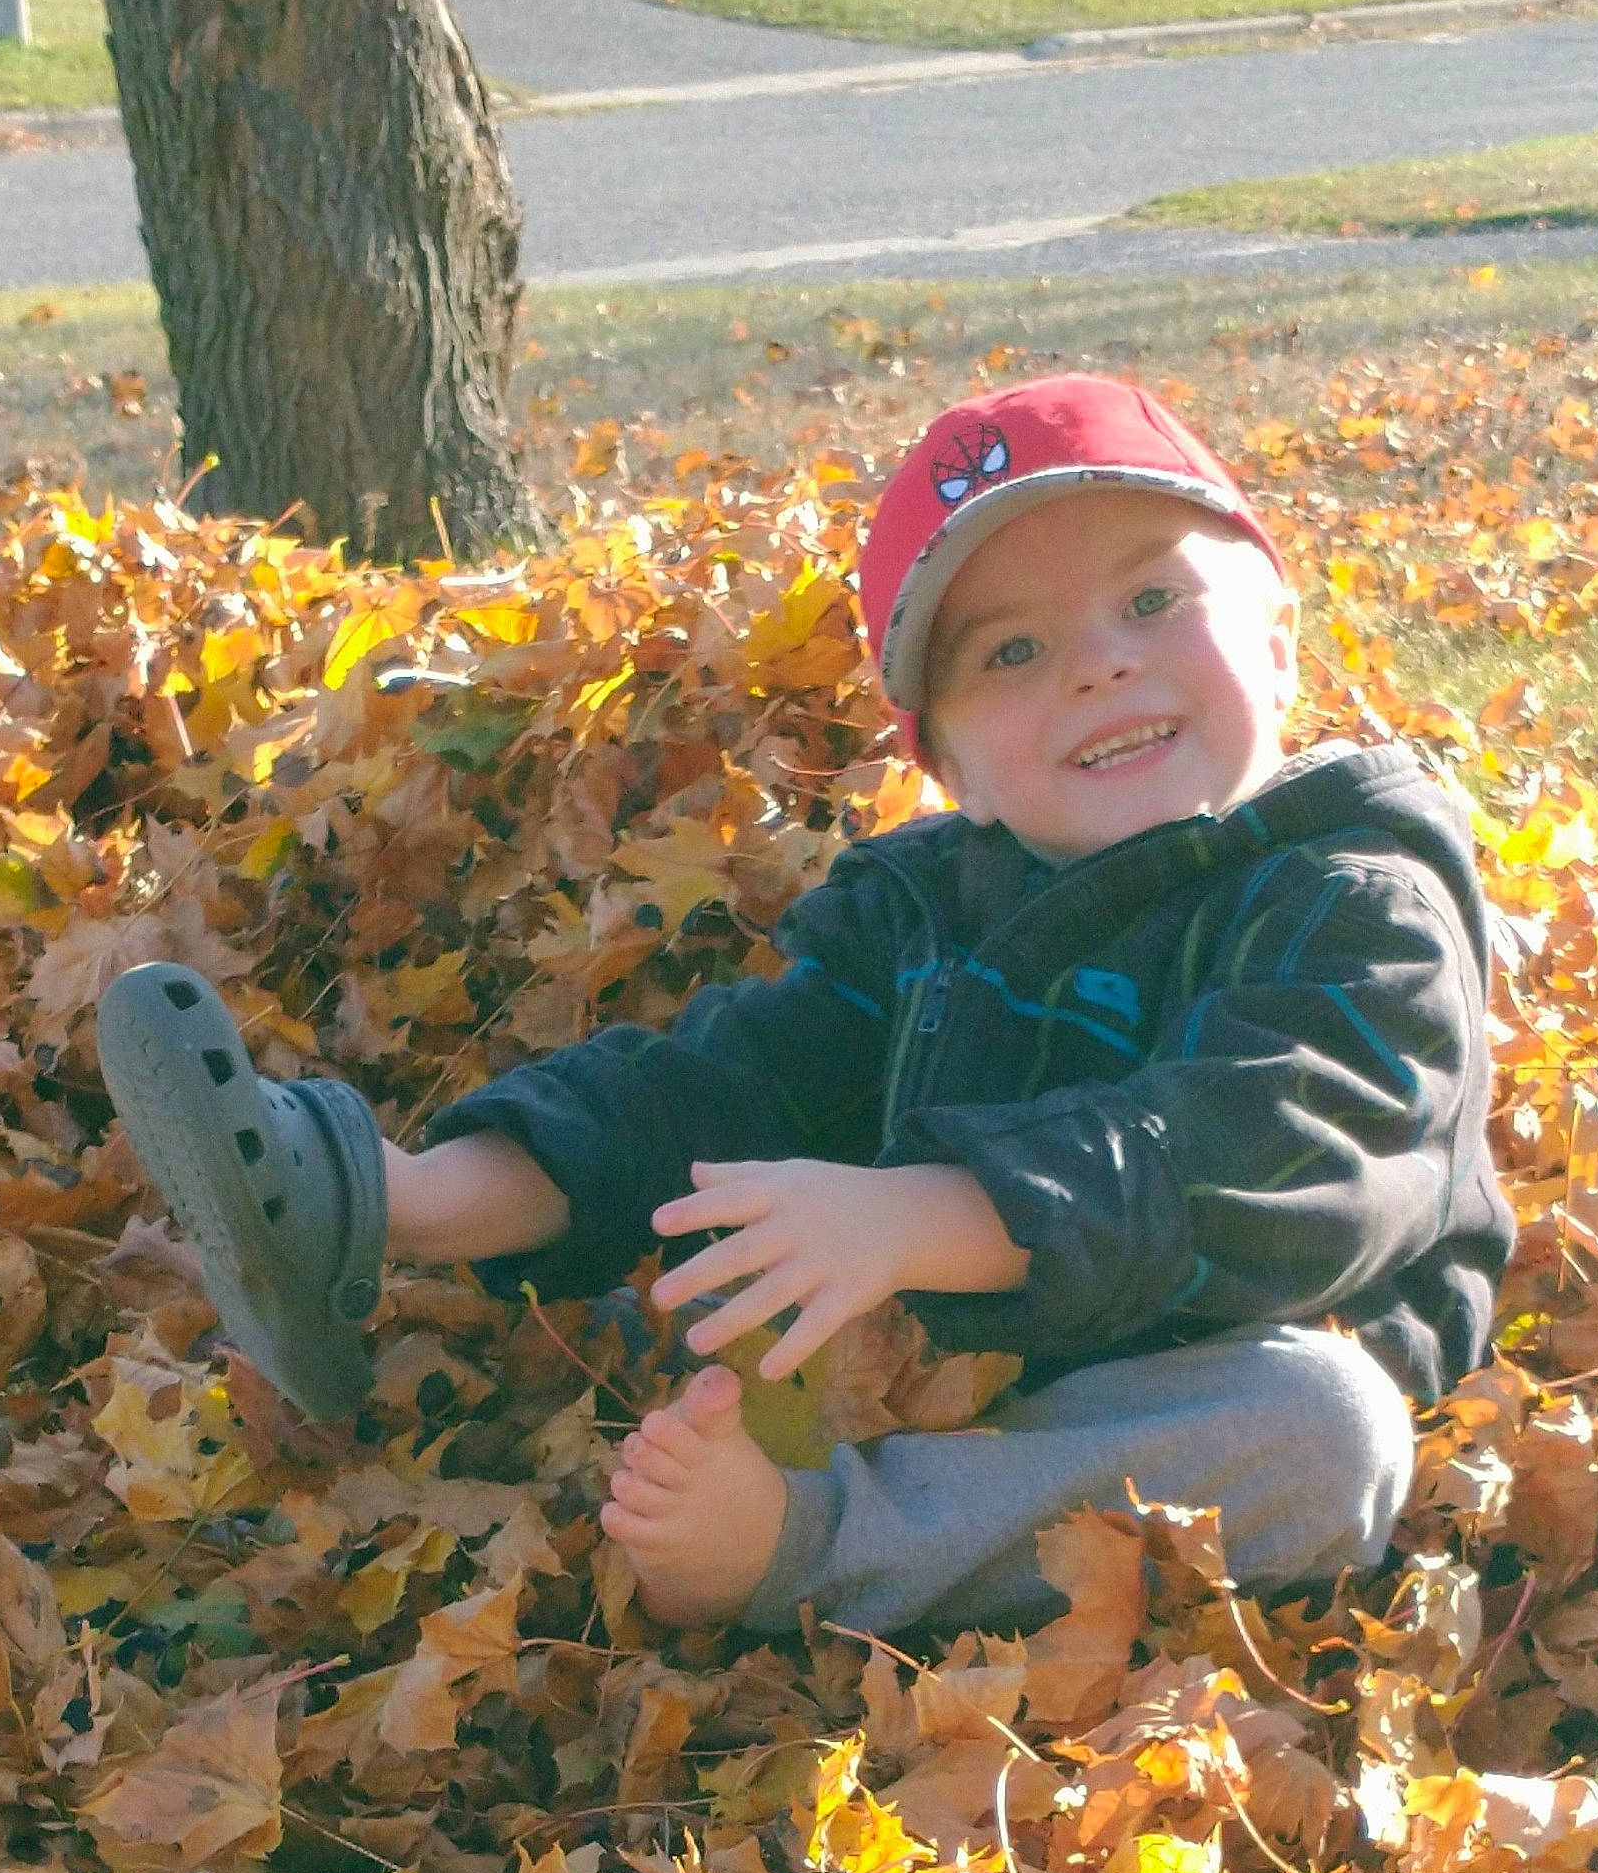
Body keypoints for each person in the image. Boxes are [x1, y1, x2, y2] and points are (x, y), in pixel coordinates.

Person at [96, 374, 1514, 1639]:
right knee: (723, 1179)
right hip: (926, 1357)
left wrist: (928, 1214)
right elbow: (729, 1084)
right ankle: (373, 1212)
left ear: (1277, 643)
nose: (1098, 663)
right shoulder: (924, 905)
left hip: (1193, 1380)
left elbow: (1280, 1158)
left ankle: (801, 1549)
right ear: (944, 761)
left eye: (1152, 601)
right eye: (1008, 654)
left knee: (1322, 1436)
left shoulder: (1349, 893)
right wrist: (419, 1190)